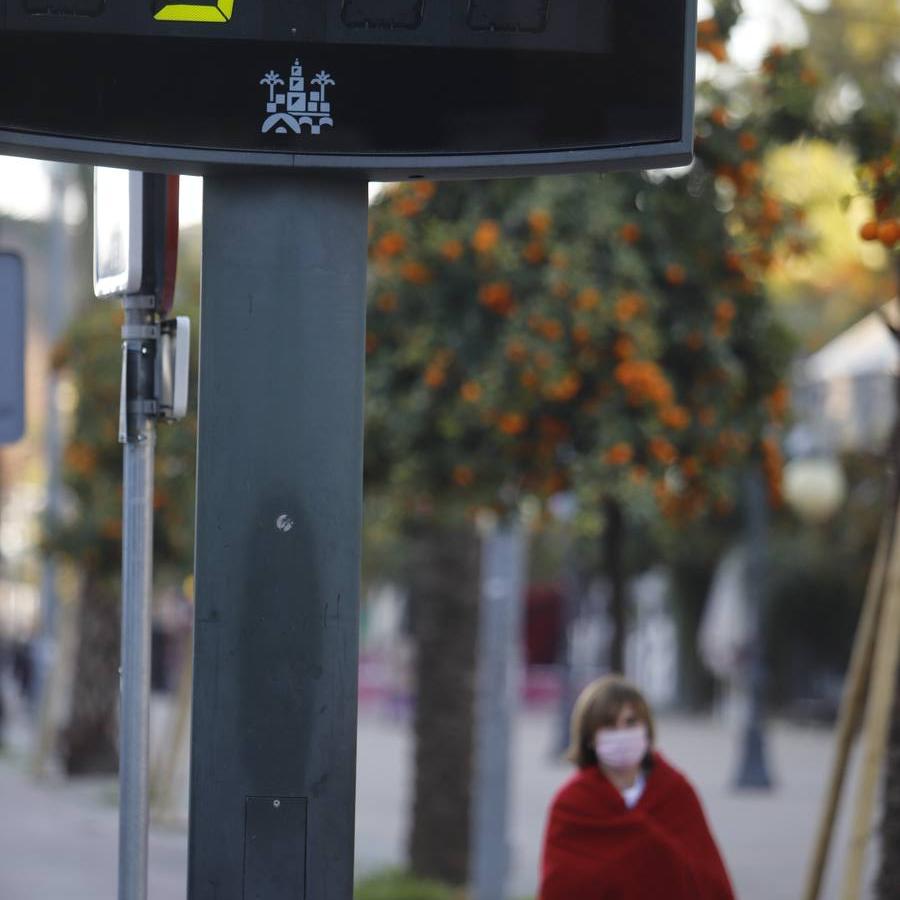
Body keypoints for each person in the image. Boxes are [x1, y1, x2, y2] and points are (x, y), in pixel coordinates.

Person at [539, 674, 735, 900]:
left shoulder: (674, 790)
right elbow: (562, 887)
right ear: (590, 738)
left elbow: (707, 877)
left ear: (646, 729)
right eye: (609, 726)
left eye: (630, 723)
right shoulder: (573, 803)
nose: (622, 734)